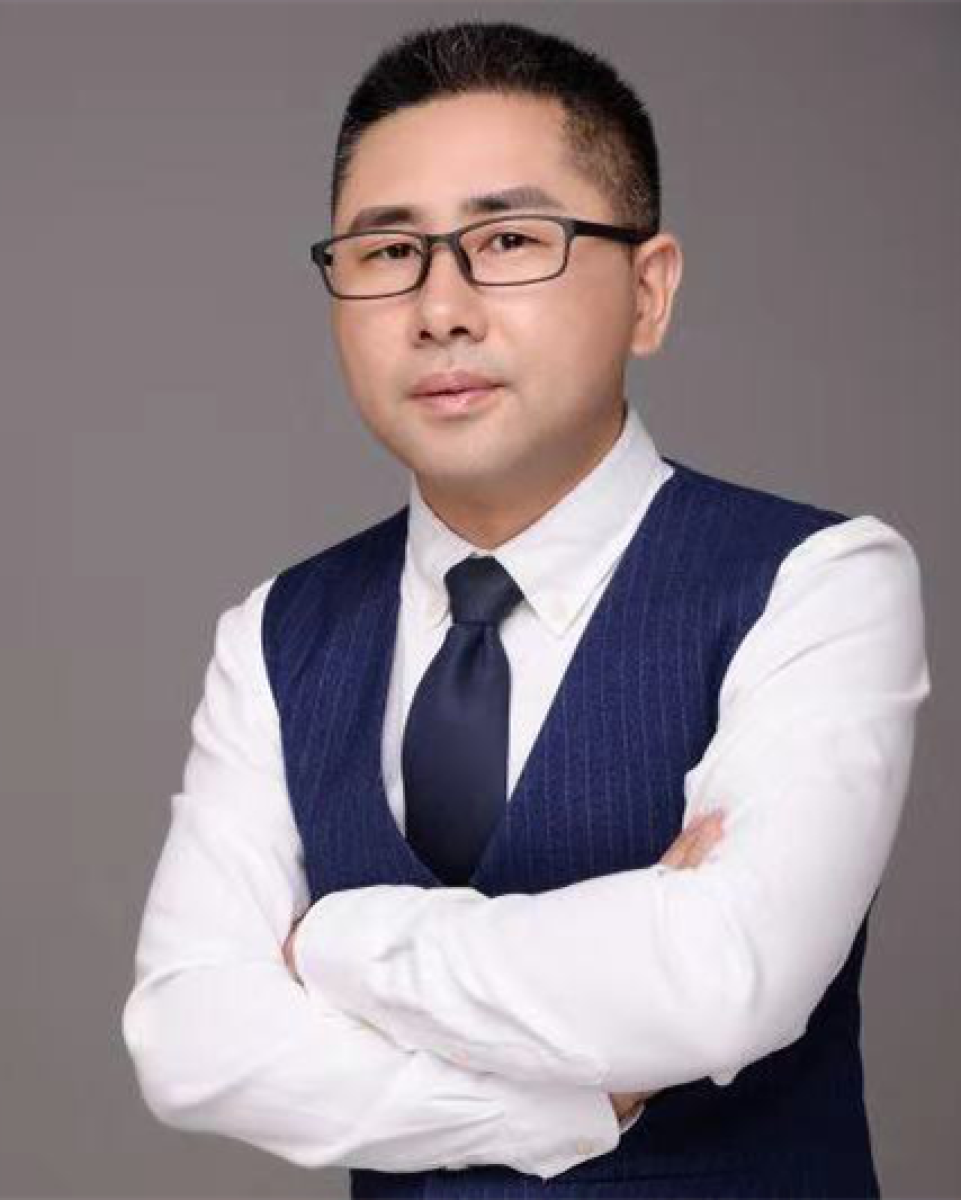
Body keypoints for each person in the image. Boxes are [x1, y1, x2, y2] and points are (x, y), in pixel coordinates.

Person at [120, 19, 931, 1199]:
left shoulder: (814, 578)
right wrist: (557, 1104)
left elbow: (723, 979)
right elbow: (190, 1039)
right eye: (387, 252)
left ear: (647, 291)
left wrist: (334, 943)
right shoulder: (277, 631)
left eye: (507, 240)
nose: (440, 308)